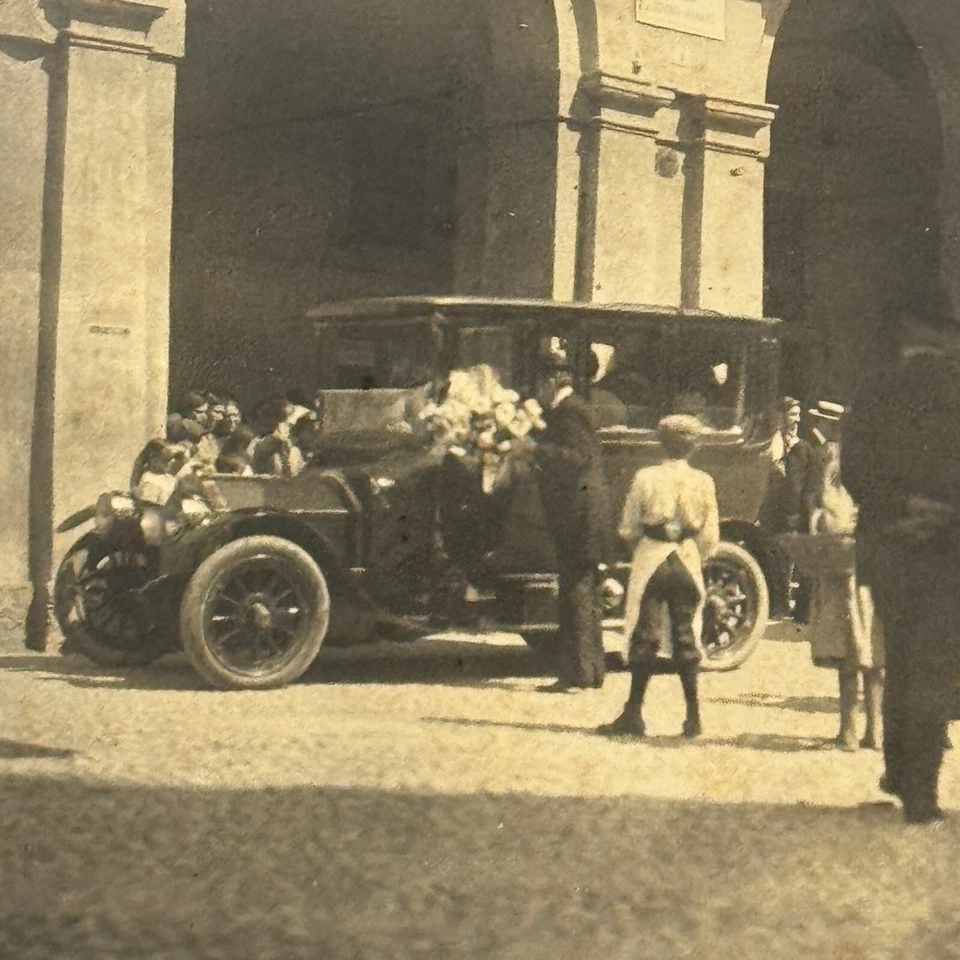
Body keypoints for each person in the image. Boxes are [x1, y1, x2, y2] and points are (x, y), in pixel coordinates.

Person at [842, 288, 960, 823]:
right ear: (945, 333)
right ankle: (922, 792)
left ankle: (898, 770)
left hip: (888, 544)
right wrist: (944, 513)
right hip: (948, 546)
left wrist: (903, 506)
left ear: (904, 330)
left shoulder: (872, 390)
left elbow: (856, 471)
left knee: (901, 657)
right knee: (934, 662)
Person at [599, 414, 720, 737]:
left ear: (661, 443)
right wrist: (692, 550)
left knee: (646, 635)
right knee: (686, 635)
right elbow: (710, 538)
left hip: (653, 557)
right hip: (686, 558)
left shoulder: (646, 477)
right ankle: (693, 717)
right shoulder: (703, 481)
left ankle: (633, 713)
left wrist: (644, 546)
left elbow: (628, 528)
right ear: (694, 447)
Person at [799, 405, 883, 752]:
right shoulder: (883, 466)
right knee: (875, 653)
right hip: (877, 571)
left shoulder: (837, 466)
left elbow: (832, 519)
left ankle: (848, 731)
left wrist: (817, 519)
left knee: (848, 653)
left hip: (844, 572)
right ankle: (876, 731)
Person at [532, 366, 613, 692]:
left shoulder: (570, 411)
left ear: (552, 380)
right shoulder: (573, 409)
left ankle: (578, 672)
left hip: (579, 514)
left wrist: (533, 450)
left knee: (575, 592)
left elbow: (577, 457)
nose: (538, 393)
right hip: (584, 513)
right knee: (585, 591)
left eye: (540, 384)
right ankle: (592, 669)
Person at [756, 397, 811, 619]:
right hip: (774, 503)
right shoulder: (775, 440)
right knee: (778, 553)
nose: (797, 420)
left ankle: (785, 599)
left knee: (787, 554)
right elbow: (774, 470)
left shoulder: (798, 441)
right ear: (782, 416)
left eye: (798, 414)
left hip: (789, 503)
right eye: (792, 414)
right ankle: (778, 602)